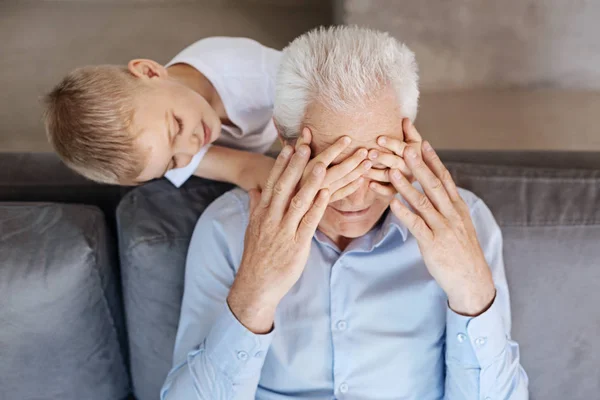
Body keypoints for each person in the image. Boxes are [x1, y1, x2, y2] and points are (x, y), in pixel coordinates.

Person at [161, 26, 529, 399]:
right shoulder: (227, 230)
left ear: (407, 140)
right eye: (332, 166)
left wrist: (472, 291)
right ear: (285, 140)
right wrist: (255, 292)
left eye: (375, 163)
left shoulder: (465, 223)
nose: (355, 198)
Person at [43, 37, 280, 189]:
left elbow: (315, 86)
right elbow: (246, 168)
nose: (192, 149)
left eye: (177, 125)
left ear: (151, 72)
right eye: (173, 163)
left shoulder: (249, 71)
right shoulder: (159, 150)